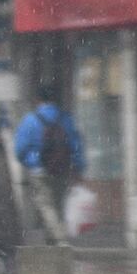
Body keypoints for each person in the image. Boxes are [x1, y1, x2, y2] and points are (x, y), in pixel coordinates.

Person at [14, 85, 85, 245]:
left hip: (39, 170)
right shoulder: (66, 118)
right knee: (58, 206)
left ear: (38, 99)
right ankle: (53, 243)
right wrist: (78, 166)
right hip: (61, 168)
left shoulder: (30, 120)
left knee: (46, 206)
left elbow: (19, 150)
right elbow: (76, 144)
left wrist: (32, 162)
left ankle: (60, 241)